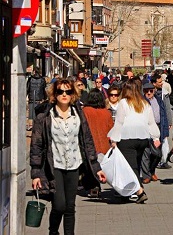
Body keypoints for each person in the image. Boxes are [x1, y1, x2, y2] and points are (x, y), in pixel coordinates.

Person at [30, 78, 107, 235]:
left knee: (70, 207)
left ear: (73, 94)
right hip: (54, 166)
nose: (64, 94)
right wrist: (36, 173)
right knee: (59, 205)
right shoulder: (44, 117)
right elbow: (36, 146)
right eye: (60, 91)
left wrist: (96, 167)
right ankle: (53, 231)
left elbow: (87, 141)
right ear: (54, 94)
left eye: (68, 91)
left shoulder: (78, 115)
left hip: (74, 165)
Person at [107, 78, 160, 203]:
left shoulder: (124, 103)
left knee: (130, 167)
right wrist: (155, 137)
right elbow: (151, 122)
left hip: (127, 138)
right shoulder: (144, 103)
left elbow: (119, 122)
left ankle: (139, 191)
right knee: (135, 163)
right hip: (143, 139)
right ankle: (127, 192)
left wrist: (114, 138)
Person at [82, 89, 114, 197]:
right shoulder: (106, 113)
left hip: (90, 144)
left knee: (90, 167)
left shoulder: (85, 111)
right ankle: (97, 184)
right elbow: (111, 129)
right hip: (104, 145)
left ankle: (94, 187)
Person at [141, 82, 169, 184]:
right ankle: (146, 175)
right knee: (146, 153)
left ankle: (151, 170)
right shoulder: (141, 101)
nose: (149, 93)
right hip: (145, 128)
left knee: (157, 154)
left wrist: (165, 130)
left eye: (151, 91)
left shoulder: (159, 100)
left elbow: (164, 115)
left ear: (154, 91)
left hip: (157, 128)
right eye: (146, 91)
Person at [151, 74, 173, 169]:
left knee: (163, 140)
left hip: (162, 121)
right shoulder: (149, 92)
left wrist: (169, 121)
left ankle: (163, 161)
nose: (161, 84)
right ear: (153, 83)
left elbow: (167, 108)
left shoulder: (164, 93)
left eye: (161, 82)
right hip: (151, 122)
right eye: (159, 82)